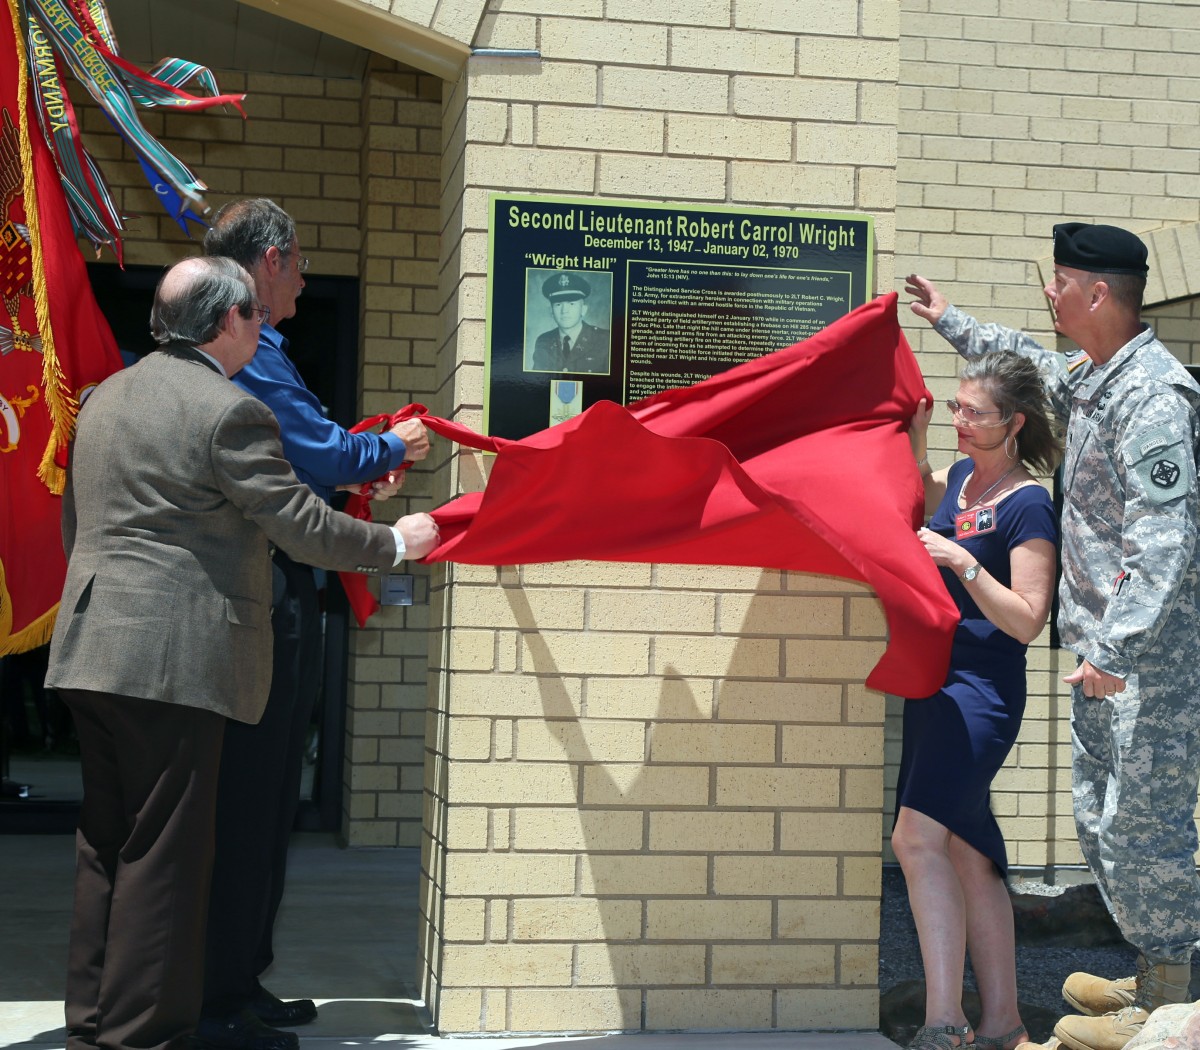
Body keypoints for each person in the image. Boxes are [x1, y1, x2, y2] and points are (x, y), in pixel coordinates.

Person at [44, 256, 440, 1050]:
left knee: (108, 850)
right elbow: (298, 523)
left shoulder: (102, 399)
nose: (263, 329)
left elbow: (77, 526)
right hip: (172, 661)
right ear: (226, 321)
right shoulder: (231, 410)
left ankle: (94, 1026)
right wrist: (395, 542)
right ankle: (141, 1037)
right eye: (255, 317)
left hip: (92, 648)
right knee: (164, 859)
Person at [906, 221, 1200, 1050]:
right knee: (1100, 823)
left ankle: (1175, 990)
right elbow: (1026, 369)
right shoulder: (1094, 376)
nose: (1050, 294)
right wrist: (952, 320)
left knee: (1146, 826)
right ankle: (1154, 970)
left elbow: (1165, 540)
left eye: (1060, 281)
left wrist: (1117, 649)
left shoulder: (1152, 398)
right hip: (1102, 655)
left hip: (1145, 661)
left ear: (1097, 293)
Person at [197, 198, 430, 1047]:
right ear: (270, 261)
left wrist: (358, 463)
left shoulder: (267, 350)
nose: (301, 277)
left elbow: (311, 459)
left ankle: (239, 980)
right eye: (296, 264)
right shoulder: (245, 356)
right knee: (249, 801)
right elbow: (318, 453)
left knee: (269, 806)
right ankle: (217, 995)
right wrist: (390, 447)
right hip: (260, 600)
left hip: (277, 594)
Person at [894, 353, 1060, 1050]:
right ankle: (1003, 1024)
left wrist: (962, 563)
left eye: (974, 413)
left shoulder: (1028, 502)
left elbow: (1028, 618)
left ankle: (944, 1023)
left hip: (981, 693)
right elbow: (905, 497)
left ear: (1014, 423)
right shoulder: (959, 477)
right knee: (969, 853)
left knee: (915, 839)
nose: (962, 420)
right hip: (933, 680)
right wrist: (920, 437)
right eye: (957, 407)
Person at [529, 270, 610, 373]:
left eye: (571, 304)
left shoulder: (605, 339)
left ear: (583, 310)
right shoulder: (543, 341)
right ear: (551, 311)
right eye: (558, 304)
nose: (564, 311)